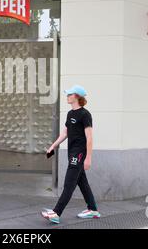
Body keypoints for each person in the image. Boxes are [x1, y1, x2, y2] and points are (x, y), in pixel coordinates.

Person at [41, 85, 100, 224]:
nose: (67, 96)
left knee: (69, 184)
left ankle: (56, 213)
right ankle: (93, 210)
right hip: (71, 152)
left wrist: (88, 158)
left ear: (77, 97)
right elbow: (65, 133)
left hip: (79, 153)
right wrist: (53, 146)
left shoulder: (85, 115)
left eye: (70, 94)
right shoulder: (70, 114)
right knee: (82, 182)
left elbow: (90, 138)